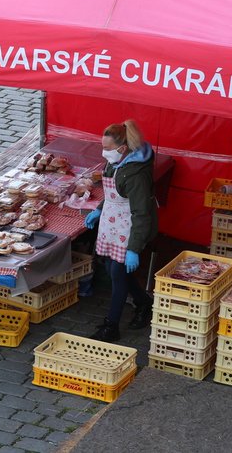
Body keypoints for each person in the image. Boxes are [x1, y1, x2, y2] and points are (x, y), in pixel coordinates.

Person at [85, 121, 156, 343]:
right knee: (111, 267)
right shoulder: (115, 164)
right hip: (111, 222)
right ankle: (144, 303)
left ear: (122, 149)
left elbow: (142, 213)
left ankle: (111, 326)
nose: (104, 152)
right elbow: (113, 191)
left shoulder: (136, 175)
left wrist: (134, 248)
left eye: (107, 148)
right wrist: (98, 210)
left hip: (129, 227)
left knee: (117, 273)